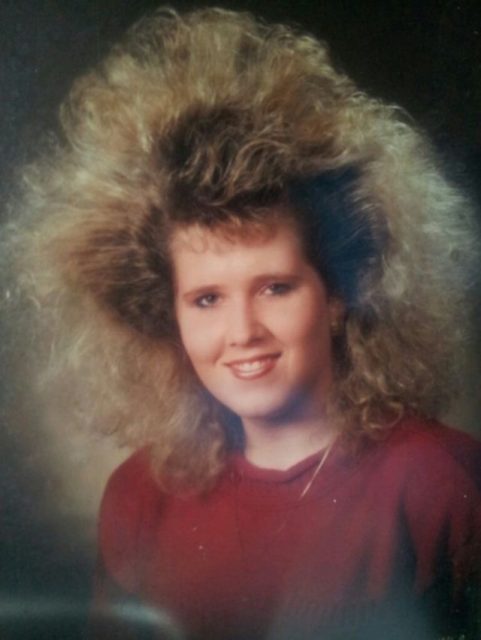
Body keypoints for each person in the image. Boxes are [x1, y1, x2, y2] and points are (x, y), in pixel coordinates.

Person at [8, 6, 481, 640]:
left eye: (276, 287)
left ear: (339, 293)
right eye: (206, 299)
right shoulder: (137, 496)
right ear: (165, 313)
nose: (243, 331)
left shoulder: (444, 483)